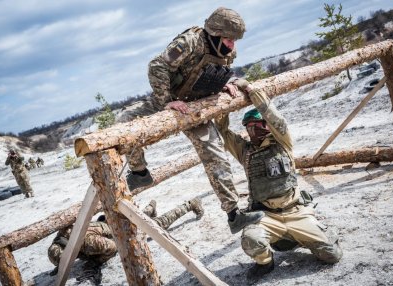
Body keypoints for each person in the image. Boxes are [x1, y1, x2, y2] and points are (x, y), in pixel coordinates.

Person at [118, 7, 263, 234]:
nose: (232, 45)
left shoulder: (226, 52)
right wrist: (166, 101)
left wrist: (225, 83)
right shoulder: (190, 42)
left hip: (195, 106)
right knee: (126, 120)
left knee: (215, 152)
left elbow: (221, 71)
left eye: (234, 40)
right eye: (228, 39)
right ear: (214, 33)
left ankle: (234, 214)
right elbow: (157, 66)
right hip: (169, 99)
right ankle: (139, 173)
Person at [215, 79, 343, 280]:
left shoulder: (283, 142)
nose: (251, 132)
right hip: (265, 216)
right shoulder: (245, 152)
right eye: (248, 128)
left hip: (296, 211)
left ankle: (304, 234)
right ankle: (266, 263)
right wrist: (223, 103)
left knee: (332, 255)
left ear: (265, 125)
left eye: (256, 126)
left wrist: (250, 89)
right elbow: (223, 132)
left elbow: (273, 116)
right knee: (250, 239)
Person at [48, 198, 204, 282]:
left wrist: (96, 261)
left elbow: (113, 248)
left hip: (116, 230)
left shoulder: (87, 243)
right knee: (138, 217)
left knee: (156, 226)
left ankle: (190, 204)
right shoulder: (62, 237)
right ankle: (150, 208)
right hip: (106, 223)